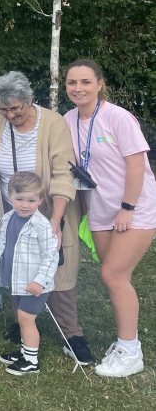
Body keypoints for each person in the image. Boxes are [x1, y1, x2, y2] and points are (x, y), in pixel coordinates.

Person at [0, 71, 95, 365]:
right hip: (12, 211)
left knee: (58, 268)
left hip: (51, 209)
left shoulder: (53, 123)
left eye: (15, 109)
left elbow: (62, 174)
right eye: (3, 109)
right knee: (16, 266)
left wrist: (55, 221)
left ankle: (72, 335)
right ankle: (24, 324)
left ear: (30, 100)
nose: (9, 115)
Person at [63, 59, 156, 377]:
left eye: (86, 82)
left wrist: (127, 209)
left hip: (133, 209)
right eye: (72, 83)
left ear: (99, 84)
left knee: (113, 276)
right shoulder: (68, 119)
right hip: (100, 210)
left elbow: (137, 166)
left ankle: (131, 351)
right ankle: (124, 342)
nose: (78, 88)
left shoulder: (118, 118)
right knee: (115, 276)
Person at [0, 172, 59, 376]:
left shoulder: (41, 226)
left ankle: (31, 362)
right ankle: (24, 352)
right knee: (22, 318)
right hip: (18, 280)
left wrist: (39, 282)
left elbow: (51, 257)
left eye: (31, 200)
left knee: (25, 319)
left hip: (35, 284)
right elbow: (3, 242)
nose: (25, 204)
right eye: (19, 199)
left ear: (40, 200)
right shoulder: (10, 218)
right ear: (10, 196)